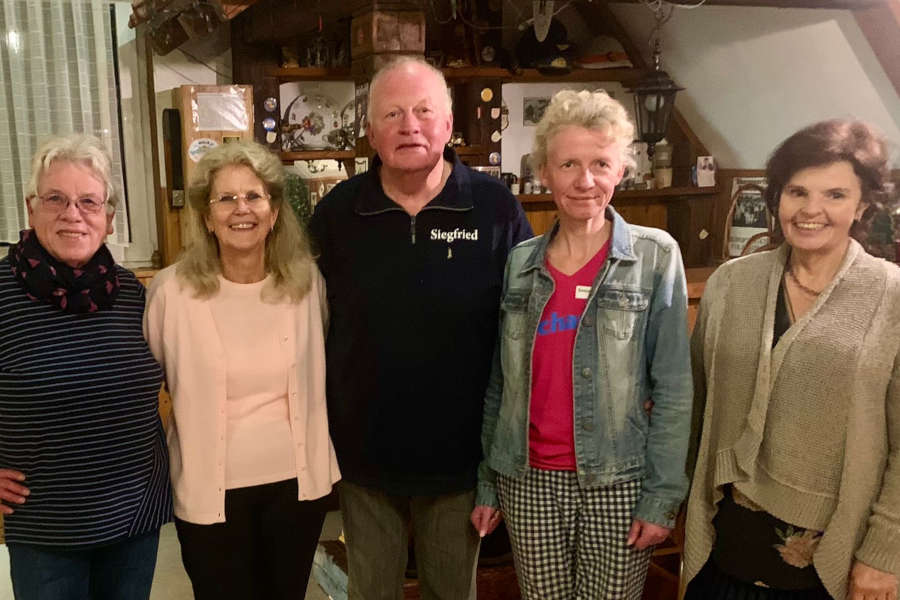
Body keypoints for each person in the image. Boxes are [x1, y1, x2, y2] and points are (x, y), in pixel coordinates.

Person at [309, 56, 533, 600]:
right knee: (371, 593)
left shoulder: (495, 208)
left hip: (461, 458)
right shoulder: (338, 213)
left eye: (423, 111)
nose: (409, 125)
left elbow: (523, 328)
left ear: (448, 125)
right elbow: (309, 324)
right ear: (370, 132)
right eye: (392, 114)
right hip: (364, 454)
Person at [473, 89, 693, 599]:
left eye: (600, 163)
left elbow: (676, 389)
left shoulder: (655, 256)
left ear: (622, 170)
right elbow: (500, 384)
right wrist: (488, 481)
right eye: (568, 163)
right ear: (544, 171)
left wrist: (661, 497)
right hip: (527, 481)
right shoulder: (520, 263)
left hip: (618, 480)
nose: (585, 180)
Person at [684, 119, 900, 600]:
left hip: (836, 553)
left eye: (835, 195)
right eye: (797, 192)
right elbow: (697, 405)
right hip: (726, 542)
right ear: (777, 197)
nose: (811, 210)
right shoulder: (730, 284)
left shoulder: (891, 297)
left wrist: (885, 553)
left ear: (862, 204)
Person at [143, 141, 340, 600]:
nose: (241, 210)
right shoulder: (172, 293)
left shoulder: (306, 283)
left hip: (298, 488)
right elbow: (140, 383)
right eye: (225, 199)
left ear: (274, 211)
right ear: (207, 217)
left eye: (254, 196)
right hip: (210, 494)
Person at [0, 134, 172, 599]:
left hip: (136, 517)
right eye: (56, 199)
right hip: (45, 528)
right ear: (31, 208)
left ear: (109, 219)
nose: (72, 214)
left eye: (88, 202)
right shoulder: (2, 293)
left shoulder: (134, 294)